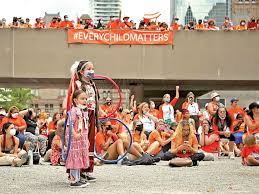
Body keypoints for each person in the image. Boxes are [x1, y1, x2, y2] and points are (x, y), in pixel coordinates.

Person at [67, 60, 98, 181]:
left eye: (93, 68)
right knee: (78, 142)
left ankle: (86, 170)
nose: (92, 71)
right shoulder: (77, 84)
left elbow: (95, 101)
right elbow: (72, 99)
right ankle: (76, 171)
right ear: (81, 71)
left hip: (91, 114)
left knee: (88, 142)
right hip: (81, 115)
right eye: (89, 68)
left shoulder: (92, 84)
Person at [65, 90, 90, 188]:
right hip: (74, 141)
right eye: (82, 99)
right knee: (74, 158)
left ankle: (78, 178)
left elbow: (84, 126)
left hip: (81, 140)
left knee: (79, 159)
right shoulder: (73, 111)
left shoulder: (82, 112)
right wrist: (74, 134)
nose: (85, 101)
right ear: (75, 100)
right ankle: (73, 180)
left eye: (86, 99)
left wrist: (86, 138)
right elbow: (68, 125)